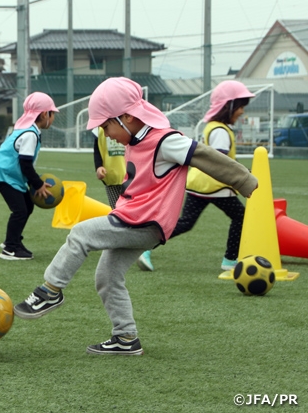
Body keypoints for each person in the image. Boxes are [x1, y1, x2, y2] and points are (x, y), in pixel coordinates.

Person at [14, 77, 257, 355]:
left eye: (105, 125)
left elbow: (204, 156)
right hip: (135, 219)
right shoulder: (134, 139)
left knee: (80, 234)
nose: (104, 134)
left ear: (127, 117)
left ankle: (50, 291)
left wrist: (244, 181)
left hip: (144, 221)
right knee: (107, 275)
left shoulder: (165, 141)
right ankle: (126, 338)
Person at [169, 80, 255, 271]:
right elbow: (220, 163)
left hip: (198, 184)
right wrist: (243, 177)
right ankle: (230, 260)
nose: (242, 112)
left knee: (185, 223)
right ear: (229, 106)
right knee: (242, 217)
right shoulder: (220, 131)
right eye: (240, 107)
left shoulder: (214, 126)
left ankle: (146, 247)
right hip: (216, 186)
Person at [0, 92, 59, 260]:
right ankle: (10, 249)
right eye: (52, 113)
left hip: (9, 174)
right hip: (4, 175)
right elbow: (25, 163)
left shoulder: (30, 130)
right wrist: (38, 184)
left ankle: (13, 241)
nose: (53, 117)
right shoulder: (30, 134)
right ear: (44, 114)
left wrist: (34, 181)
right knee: (20, 210)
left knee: (27, 205)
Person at [93, 126, 154, 271]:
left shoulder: (128, 124)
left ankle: (141, 245)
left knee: (136, 212)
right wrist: (98, 166)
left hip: (132, 177)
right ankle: (124, 243)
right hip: (111, 177)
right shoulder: (99, 128)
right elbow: (97, 148)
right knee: (118, 213)